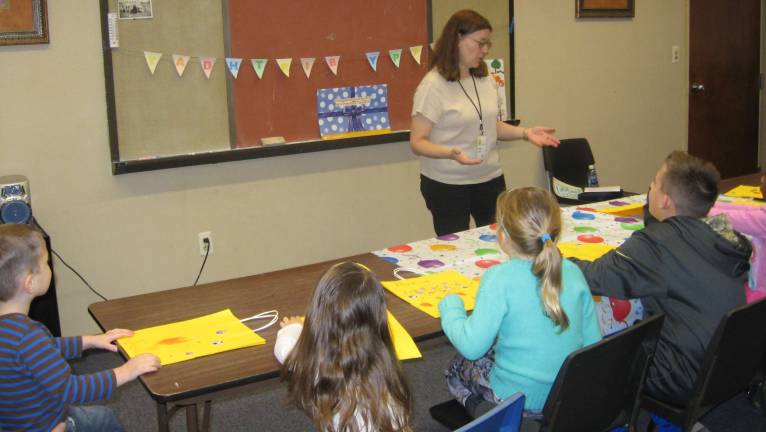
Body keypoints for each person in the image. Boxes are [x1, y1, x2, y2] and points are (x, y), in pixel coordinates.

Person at [572, 151, 751, 405]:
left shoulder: (656, 246)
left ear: (665, 200)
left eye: (654, 183)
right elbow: (670, 240)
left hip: (679, 375)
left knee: (599, 352)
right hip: (725, 367)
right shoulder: (722, 234)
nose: (649, 187)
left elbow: (596, 276)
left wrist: (553, 258)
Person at [439, 187, 601, 417]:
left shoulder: (499, 278)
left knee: (457, 366)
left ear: (503, 234)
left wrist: (451, 309)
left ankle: (492, 414)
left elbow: (471, 347)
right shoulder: (573, 271)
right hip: (567, 397)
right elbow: (593, 342)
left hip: (517, 401)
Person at [410, 9, 560, 237]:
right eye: (480, 43)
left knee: (503, 241)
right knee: (456, 252)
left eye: (487, 43)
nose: (485, 50)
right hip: (447, 184)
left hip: (489, 178)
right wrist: (451, 152)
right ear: (457, 39)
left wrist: (526, 132)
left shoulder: (484, 78)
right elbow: (417, 142)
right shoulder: (433, 86)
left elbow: (492, 126)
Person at [0, 224, 161, 432]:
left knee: (103, 416)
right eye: (46, 263)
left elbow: (42, 351)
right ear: (29, 283)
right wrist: (126, 371)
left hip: (13, 423)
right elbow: (71, 389)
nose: (51, 268)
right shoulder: (27, 335)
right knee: (104, 419)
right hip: (48, 424)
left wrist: (90, 341)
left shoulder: (16, 334)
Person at [275, 262, 412, 432]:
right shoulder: (386, 369)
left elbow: (283, 349)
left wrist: (292, 327)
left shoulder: (318, 367)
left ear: (318, 318)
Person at [708, 174, 766, 303]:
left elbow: (730, 219)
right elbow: (749, 208)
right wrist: (710, 202)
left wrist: (700, 207)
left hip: (761, 292)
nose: (762, 179)